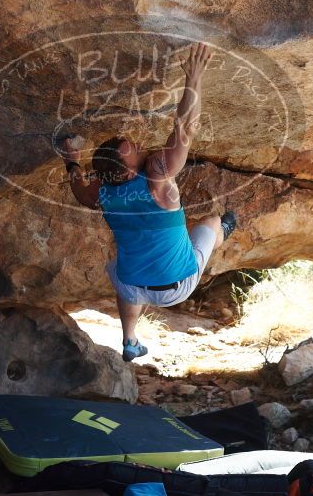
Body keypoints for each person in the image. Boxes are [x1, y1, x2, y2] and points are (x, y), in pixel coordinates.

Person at [58, 42, 236, 362]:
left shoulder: (100, 192)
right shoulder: (157, 181)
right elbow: (185, 129)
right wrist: (193, 78)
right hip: (176, 286)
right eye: (134, 150)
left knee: (123, 275)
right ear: (128, 170)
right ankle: (225, 227)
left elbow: (81, 191)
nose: (140, 145)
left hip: (134, 286)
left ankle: (129, 340)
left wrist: (71, 161)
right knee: (209, 223)